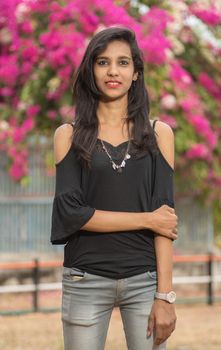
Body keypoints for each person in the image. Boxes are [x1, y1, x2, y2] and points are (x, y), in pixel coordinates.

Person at [51, 26, 178, 350]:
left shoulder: (158, 134)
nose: (113, 71)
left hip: (144, 282)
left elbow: (166, 221)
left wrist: (165, 295)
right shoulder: (68, 135)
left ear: (136, 72)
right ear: (91, 70)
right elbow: (71, 214)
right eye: (103, 62)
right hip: (84, 281)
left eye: (123, 63)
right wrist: (146, 219)